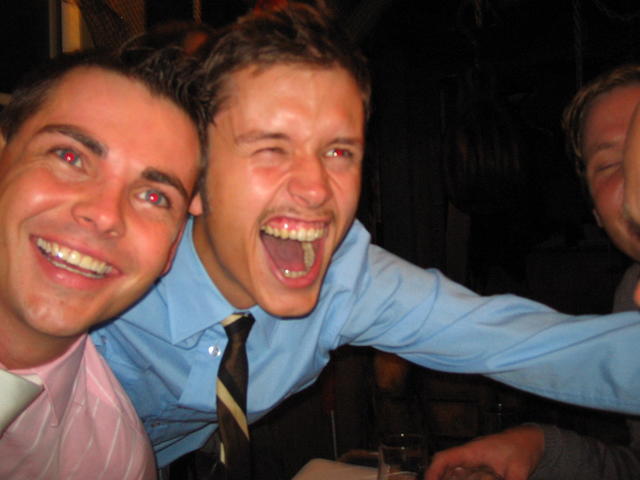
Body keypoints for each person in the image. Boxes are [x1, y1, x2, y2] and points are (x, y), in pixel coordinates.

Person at [93, 4, 640, 471]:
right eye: (271, 148)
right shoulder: (105, 271)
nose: (316, 188)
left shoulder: (344, 278)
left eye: (339, 151)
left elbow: (524, 344)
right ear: (194, 181)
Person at [0, 39, 208, 479]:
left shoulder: (114, 460)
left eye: (154, 196)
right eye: (70, 156)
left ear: (171, 251)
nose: (106, 215)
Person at [425, 64, 640, 480]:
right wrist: (540, 448)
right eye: (610, 163)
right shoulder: (629, 295)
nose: (634, 175)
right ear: (596, 211)